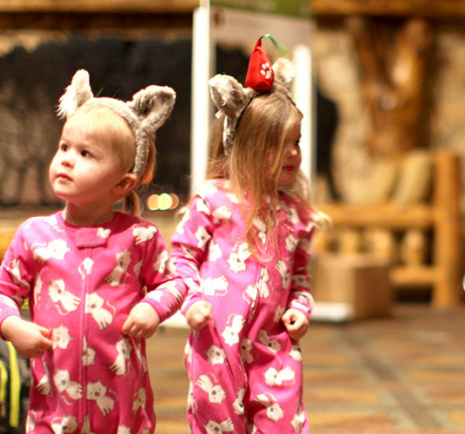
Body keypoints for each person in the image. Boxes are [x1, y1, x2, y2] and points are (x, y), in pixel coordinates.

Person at [0, 69, 186, 432]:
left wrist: (152, 308)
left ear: (122, 183)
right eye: (64, 147)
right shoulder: (34, 235)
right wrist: (11, 326)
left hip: (122, 409)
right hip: (53, 407)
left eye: (86, 153)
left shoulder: (140, 238)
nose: (67, 159)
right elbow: (3, 291)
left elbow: (176, 282)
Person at [172, 37, 326, 433]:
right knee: (219, 424)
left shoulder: (295, 215)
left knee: (285, 424)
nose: (293, 153)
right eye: (279, 144)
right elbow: (181, 257)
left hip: (275, 345)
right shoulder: (213, 200)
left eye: (297, 142)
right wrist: (192, 299)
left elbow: (301, 278)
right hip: (215, 343)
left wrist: (302, 308)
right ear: (246, 147)